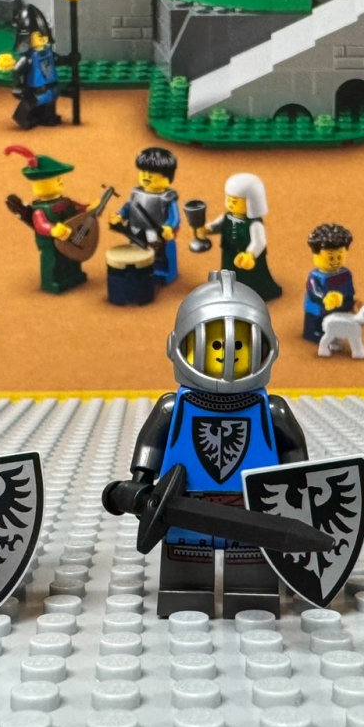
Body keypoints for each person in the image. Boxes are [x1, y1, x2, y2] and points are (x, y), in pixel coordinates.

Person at [118, 270, 307, 617]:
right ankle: (184, 595)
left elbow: (294, 455)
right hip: (182, 505)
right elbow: (151, 445)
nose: (227, 355)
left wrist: (298, 491)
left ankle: (252, 597)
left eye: (239, 345)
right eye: (216, 344)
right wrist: (140, 481)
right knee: (185, 572)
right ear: (177, 346)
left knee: (251, 576)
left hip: (254, 509)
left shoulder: (271, 410)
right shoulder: (173, 407)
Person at [5, 145, 90, 294]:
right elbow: (41, 225)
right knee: (53, 262)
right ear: (40, 184)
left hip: (69, 239)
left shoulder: (65, 201)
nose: (61, 182)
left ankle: (74, 275)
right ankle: (52, 281)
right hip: (52, 243)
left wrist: (87, 208)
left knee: (72, 258)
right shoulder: (40, 209)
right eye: (56, 179)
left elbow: (76, 208)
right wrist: (53, 230)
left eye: (60, 178)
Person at [200, 173, 282, 301]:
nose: (230, 204)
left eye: (235, 201)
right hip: (229, 251)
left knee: (249, 277)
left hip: (245, 256)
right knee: (228, 272)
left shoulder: (254, 223)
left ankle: (252, 294)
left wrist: (250, 254)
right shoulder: (227, 216)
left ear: (250, 203)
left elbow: (259, 241)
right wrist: (208, 229)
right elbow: (218, 225)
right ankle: (228, 289)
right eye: (228, 200)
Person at [111, 148, 181, 284]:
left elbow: (174, 216)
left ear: (167, 176)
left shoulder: (167, 197)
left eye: (152, 173)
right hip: (136, 229)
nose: (146, 176)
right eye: (143, 171)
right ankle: (140, 269)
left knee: (161, 253)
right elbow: (129, 207)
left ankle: (164, 271)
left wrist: (169, 227)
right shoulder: (136, 193)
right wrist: (120, 216)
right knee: (136, 250)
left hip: (158, 233)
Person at [303, 223, 355, 343]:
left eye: (339, 257)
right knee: (317, 322)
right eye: (331, 258)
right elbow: (315, 292)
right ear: (316, 254)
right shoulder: (315, 276)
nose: (335, 261)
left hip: (339, 308)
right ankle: (316, 333)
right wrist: (325, 298)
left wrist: (348, 301)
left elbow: (349, 291)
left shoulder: (345, 274)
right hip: (318, 310)